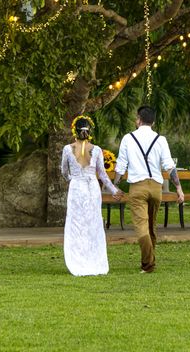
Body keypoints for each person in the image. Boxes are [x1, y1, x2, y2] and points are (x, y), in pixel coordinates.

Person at [113, 105, 184, 273]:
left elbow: (121, 167)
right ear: (153, 121)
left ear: (138, 119)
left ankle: (148, 265)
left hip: (137, 188)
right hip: (156, 187)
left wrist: (115, 186)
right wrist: (179, 188)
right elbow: (170, 167)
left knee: (141, 228)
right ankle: (150, 261)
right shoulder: (160, 139)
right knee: (152, 226)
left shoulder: (128, 139)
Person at [61, 115, 120, 276]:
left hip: (77, 188)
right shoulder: (97, 150)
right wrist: (114, 190)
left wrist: (72, 179)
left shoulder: (67, 149)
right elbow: (102, 174)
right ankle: (94, 259)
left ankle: (78, 259)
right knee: (92, 223)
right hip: (93, 189)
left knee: (76, 224)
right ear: (89, 131)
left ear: (74, 130)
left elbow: (64, 172)